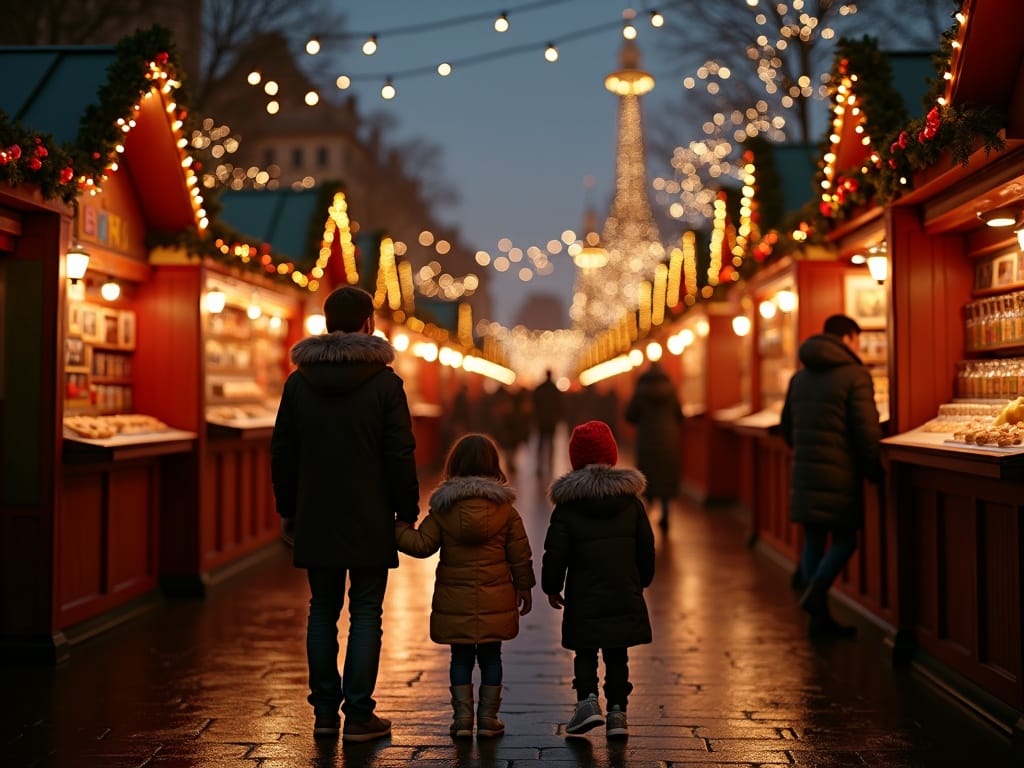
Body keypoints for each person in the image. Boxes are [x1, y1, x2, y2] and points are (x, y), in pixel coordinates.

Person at [271, 285, 420, 742]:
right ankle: (358, 714)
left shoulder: (298, 382)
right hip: (370, 514)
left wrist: (289, 508)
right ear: (368, 323)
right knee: (367, 611)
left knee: (322, 609)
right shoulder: (385, 383)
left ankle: (322, 714)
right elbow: (399, 452)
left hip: (317, 511)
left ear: (327, 322)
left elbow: (283, 452)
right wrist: (406, 510)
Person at [396, 433, 535, 739]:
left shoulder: (444, 510)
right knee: (491, 658)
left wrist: (397, 530)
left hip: (454, 600)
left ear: (454, 465)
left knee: (460, 658)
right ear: (493, 466)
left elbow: (421, 545)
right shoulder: (506, 512)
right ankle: (487, 719)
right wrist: (525, 587)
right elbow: (520, 555)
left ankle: (461, 720)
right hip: (495, 599)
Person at [541, 420, 655, 740]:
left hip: (584, 594)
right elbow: (646, 547)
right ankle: (618, 711)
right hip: (623, 590)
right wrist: (642, 580)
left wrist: (552, 585)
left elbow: (556, 551)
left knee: (586, 650)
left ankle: (587, 702)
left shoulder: (568, 506)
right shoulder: (631, 503)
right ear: (613, 455)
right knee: (618, 652)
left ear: (575, 459)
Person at [780, 314, 883, 638]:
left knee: (814, 538)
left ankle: (818, 616)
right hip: (840, 473)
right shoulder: (856, 375)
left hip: (806, 470)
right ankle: (817, 594)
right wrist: (872, 470)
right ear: (849, 338)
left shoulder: (800, 378)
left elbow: (787, 428)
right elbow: (866, 431)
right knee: (845, 539)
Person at [625, 361, 684, 530]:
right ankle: (665, 513)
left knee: (648, 476)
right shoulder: (671, 391)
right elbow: (680, 415)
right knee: (666, 476)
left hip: (647, 440)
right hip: (668, 440)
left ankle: (646, 516)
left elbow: (629, 415)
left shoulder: (640, 391)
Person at [532, 369, 564, 477]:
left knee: (540, 443)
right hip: (551, 421)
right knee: (550, 443)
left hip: (541, 420)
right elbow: (560, 405)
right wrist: (558, 418)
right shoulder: (555, 389)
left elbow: (534, 404)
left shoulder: (539, 389)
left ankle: (539, 466)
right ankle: (550, 464)